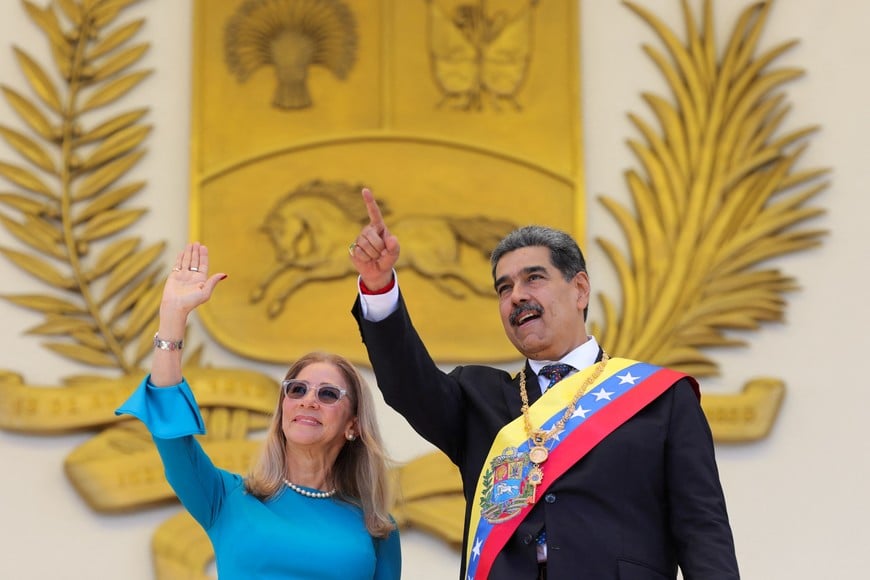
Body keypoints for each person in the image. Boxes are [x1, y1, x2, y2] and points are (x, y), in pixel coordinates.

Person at [349, 188, 739, 579]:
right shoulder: (477, 397)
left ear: (580, 289)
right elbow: (407, 384)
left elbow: (702, 528)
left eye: (533, 278)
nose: (517, 296)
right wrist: (379, 287)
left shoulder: (660, 398)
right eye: (504, 288)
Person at [116, 242, 401, 580]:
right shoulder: (225, 497)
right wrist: (172, 316)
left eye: (328, 394)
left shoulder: (377, 526)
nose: (309, 400)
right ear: (282, 410)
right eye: (297, 389)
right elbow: (170, 430)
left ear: (352, 425)